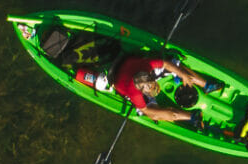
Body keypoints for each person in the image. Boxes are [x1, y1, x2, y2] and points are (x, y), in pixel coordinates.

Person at [71, 48, 216, 125]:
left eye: (154, 87)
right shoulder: (135, 94)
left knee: (174, 64)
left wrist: (183, 76)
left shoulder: (146, 66)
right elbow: (149, 112)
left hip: (128, 68)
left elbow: (166, 64)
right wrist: (162, 113)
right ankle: (191, 117)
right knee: (151, 112)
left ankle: (206, 85)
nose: (155, 89)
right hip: (118, 80)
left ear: (150, 76)